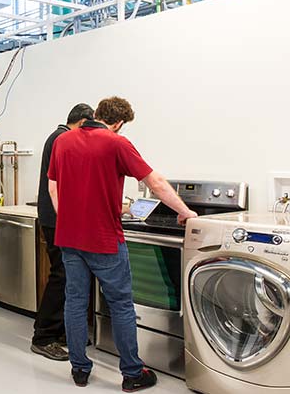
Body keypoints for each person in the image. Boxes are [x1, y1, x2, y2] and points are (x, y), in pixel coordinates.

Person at [47, 97, 198, 391]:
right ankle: (131, 373)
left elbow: (53, 186)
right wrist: (185, 211)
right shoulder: (116, 143)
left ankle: (79, 369)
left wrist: (68, 217)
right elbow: (155, 182)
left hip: (69, 238)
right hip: (104, 239)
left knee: (76, 302)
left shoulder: (62, 142)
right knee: (121, 305)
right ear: (119, 123)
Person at [31, 103, 95, 362]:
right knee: (61, 275)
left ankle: (59, 331)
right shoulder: (62, 138)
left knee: (67, 275)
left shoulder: (56, 136)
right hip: (56, 218)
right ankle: (43, 336)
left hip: (55, 217)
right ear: (82, 123)